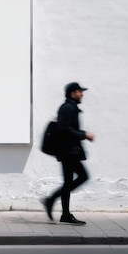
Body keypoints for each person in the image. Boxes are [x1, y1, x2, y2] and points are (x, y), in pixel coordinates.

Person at [41, 82, 94, 225]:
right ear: (72, 93)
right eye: (79, 91)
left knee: (69, 182)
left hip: (69, 150)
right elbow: (64, 129)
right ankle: (51, 199)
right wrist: (84, 134)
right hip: (68, 151)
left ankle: (65, 214)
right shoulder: (68, 108)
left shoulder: (70, 107)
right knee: (83, 176)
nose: (82, 94)